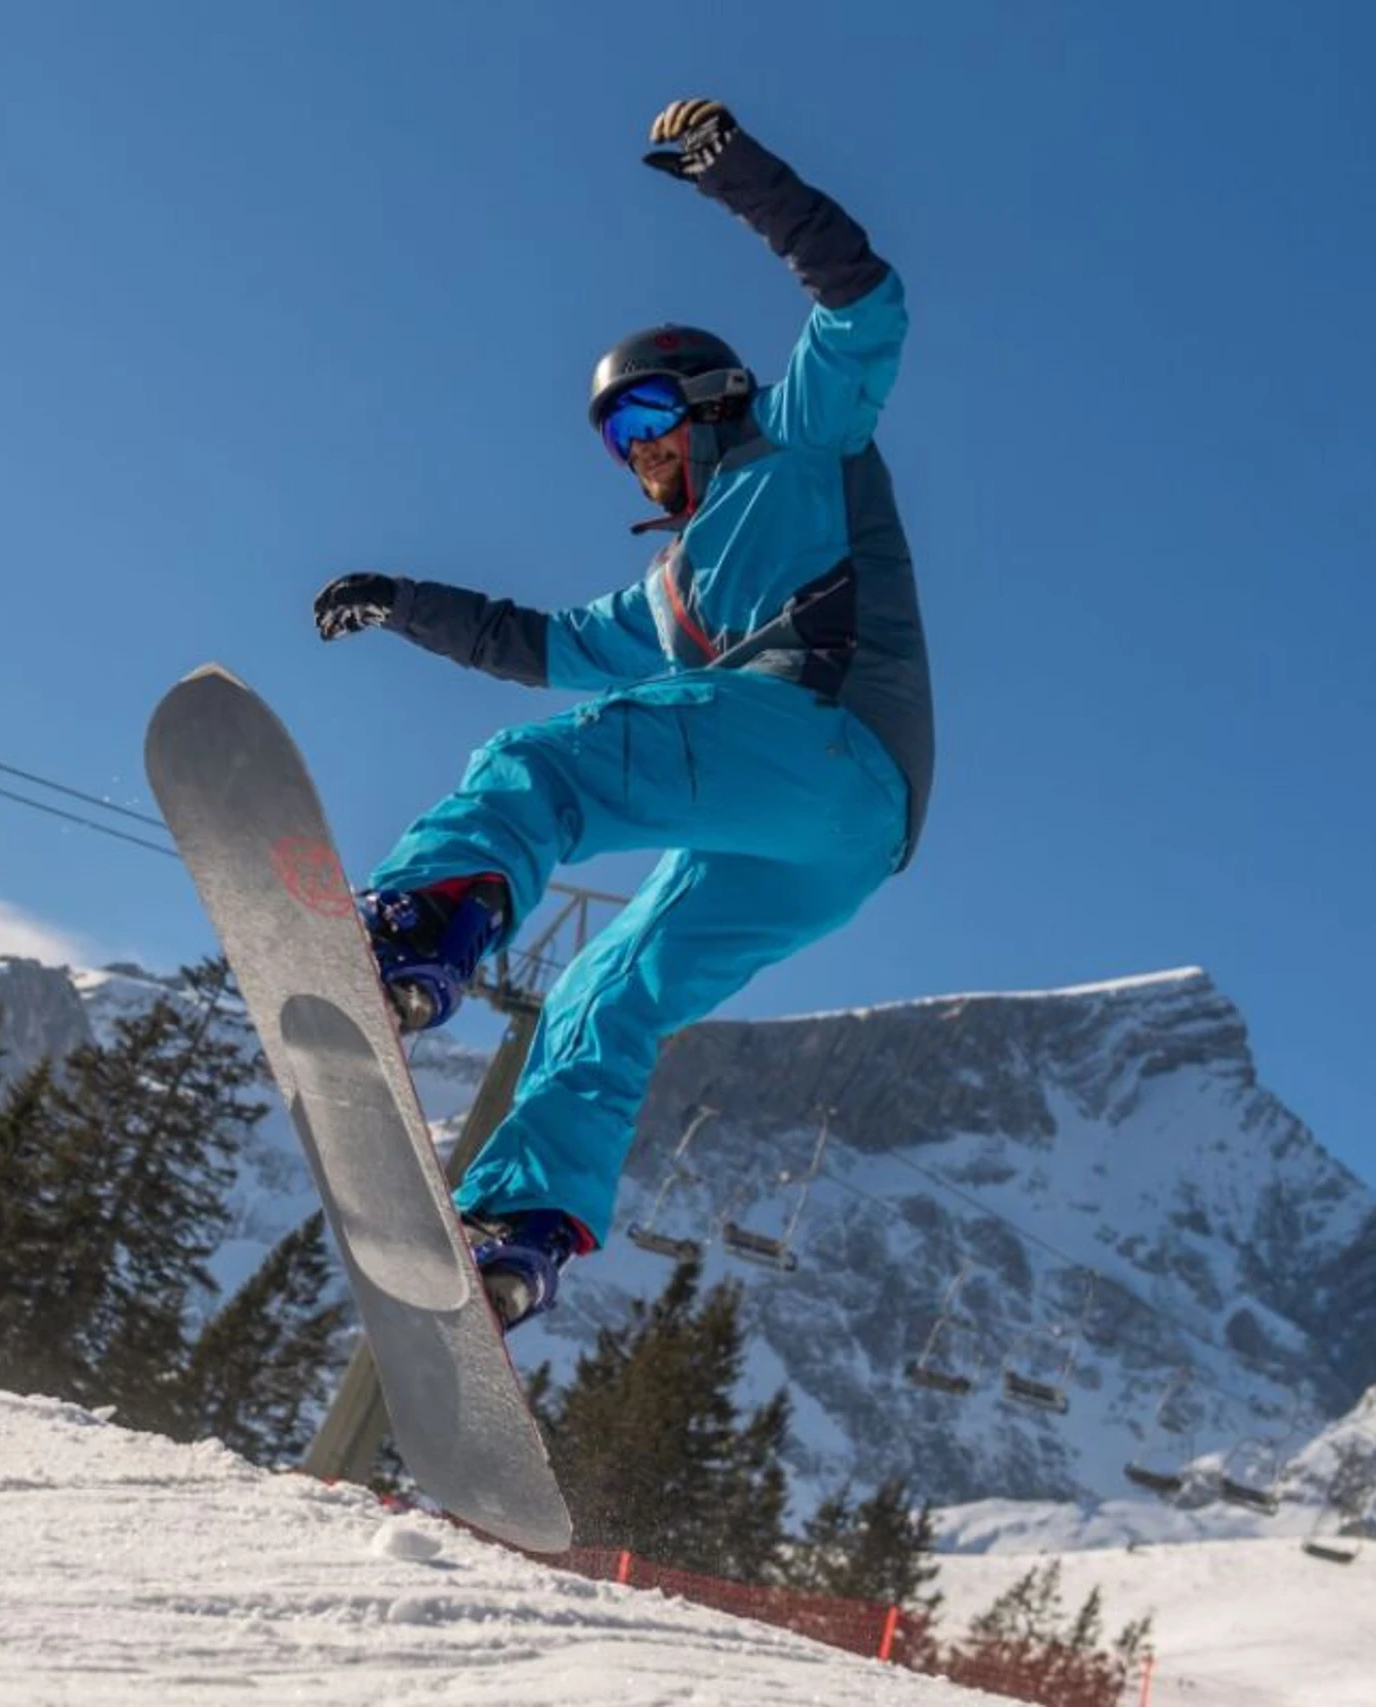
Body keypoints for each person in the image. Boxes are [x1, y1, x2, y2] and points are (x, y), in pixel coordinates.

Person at [312, 98, 934, 1330]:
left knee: (546, 769)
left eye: (648, 417)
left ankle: (429, 924)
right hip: (828, 845)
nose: (636, 452)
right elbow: (534, 643)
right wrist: (399, 602)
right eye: (614, 438)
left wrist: (737, 173)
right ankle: (522, 1230)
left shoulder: (798, 440)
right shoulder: (667, 595)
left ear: (709, 400)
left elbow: (862, 303)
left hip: (825, 742)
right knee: (609, 992)